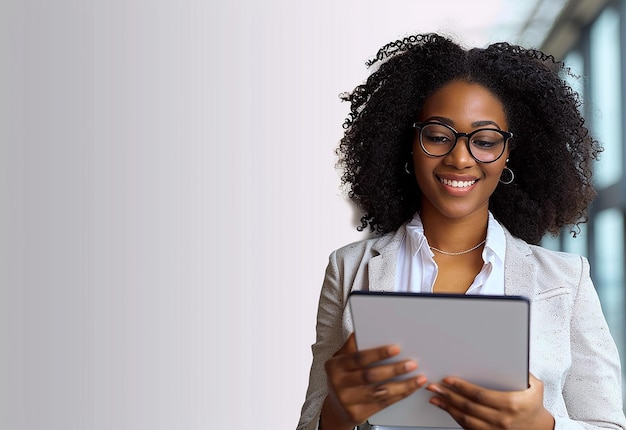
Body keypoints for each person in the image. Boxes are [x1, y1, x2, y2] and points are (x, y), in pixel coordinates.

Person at [297, 33, 626, 430]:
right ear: (410, 144)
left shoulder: (565, 281)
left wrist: (541, 425)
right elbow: (312, 421)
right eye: (438, 136)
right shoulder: (348, 268)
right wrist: (335, 416)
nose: (460, 157)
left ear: (508, 155)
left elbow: (609, 425)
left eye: (485, 141)